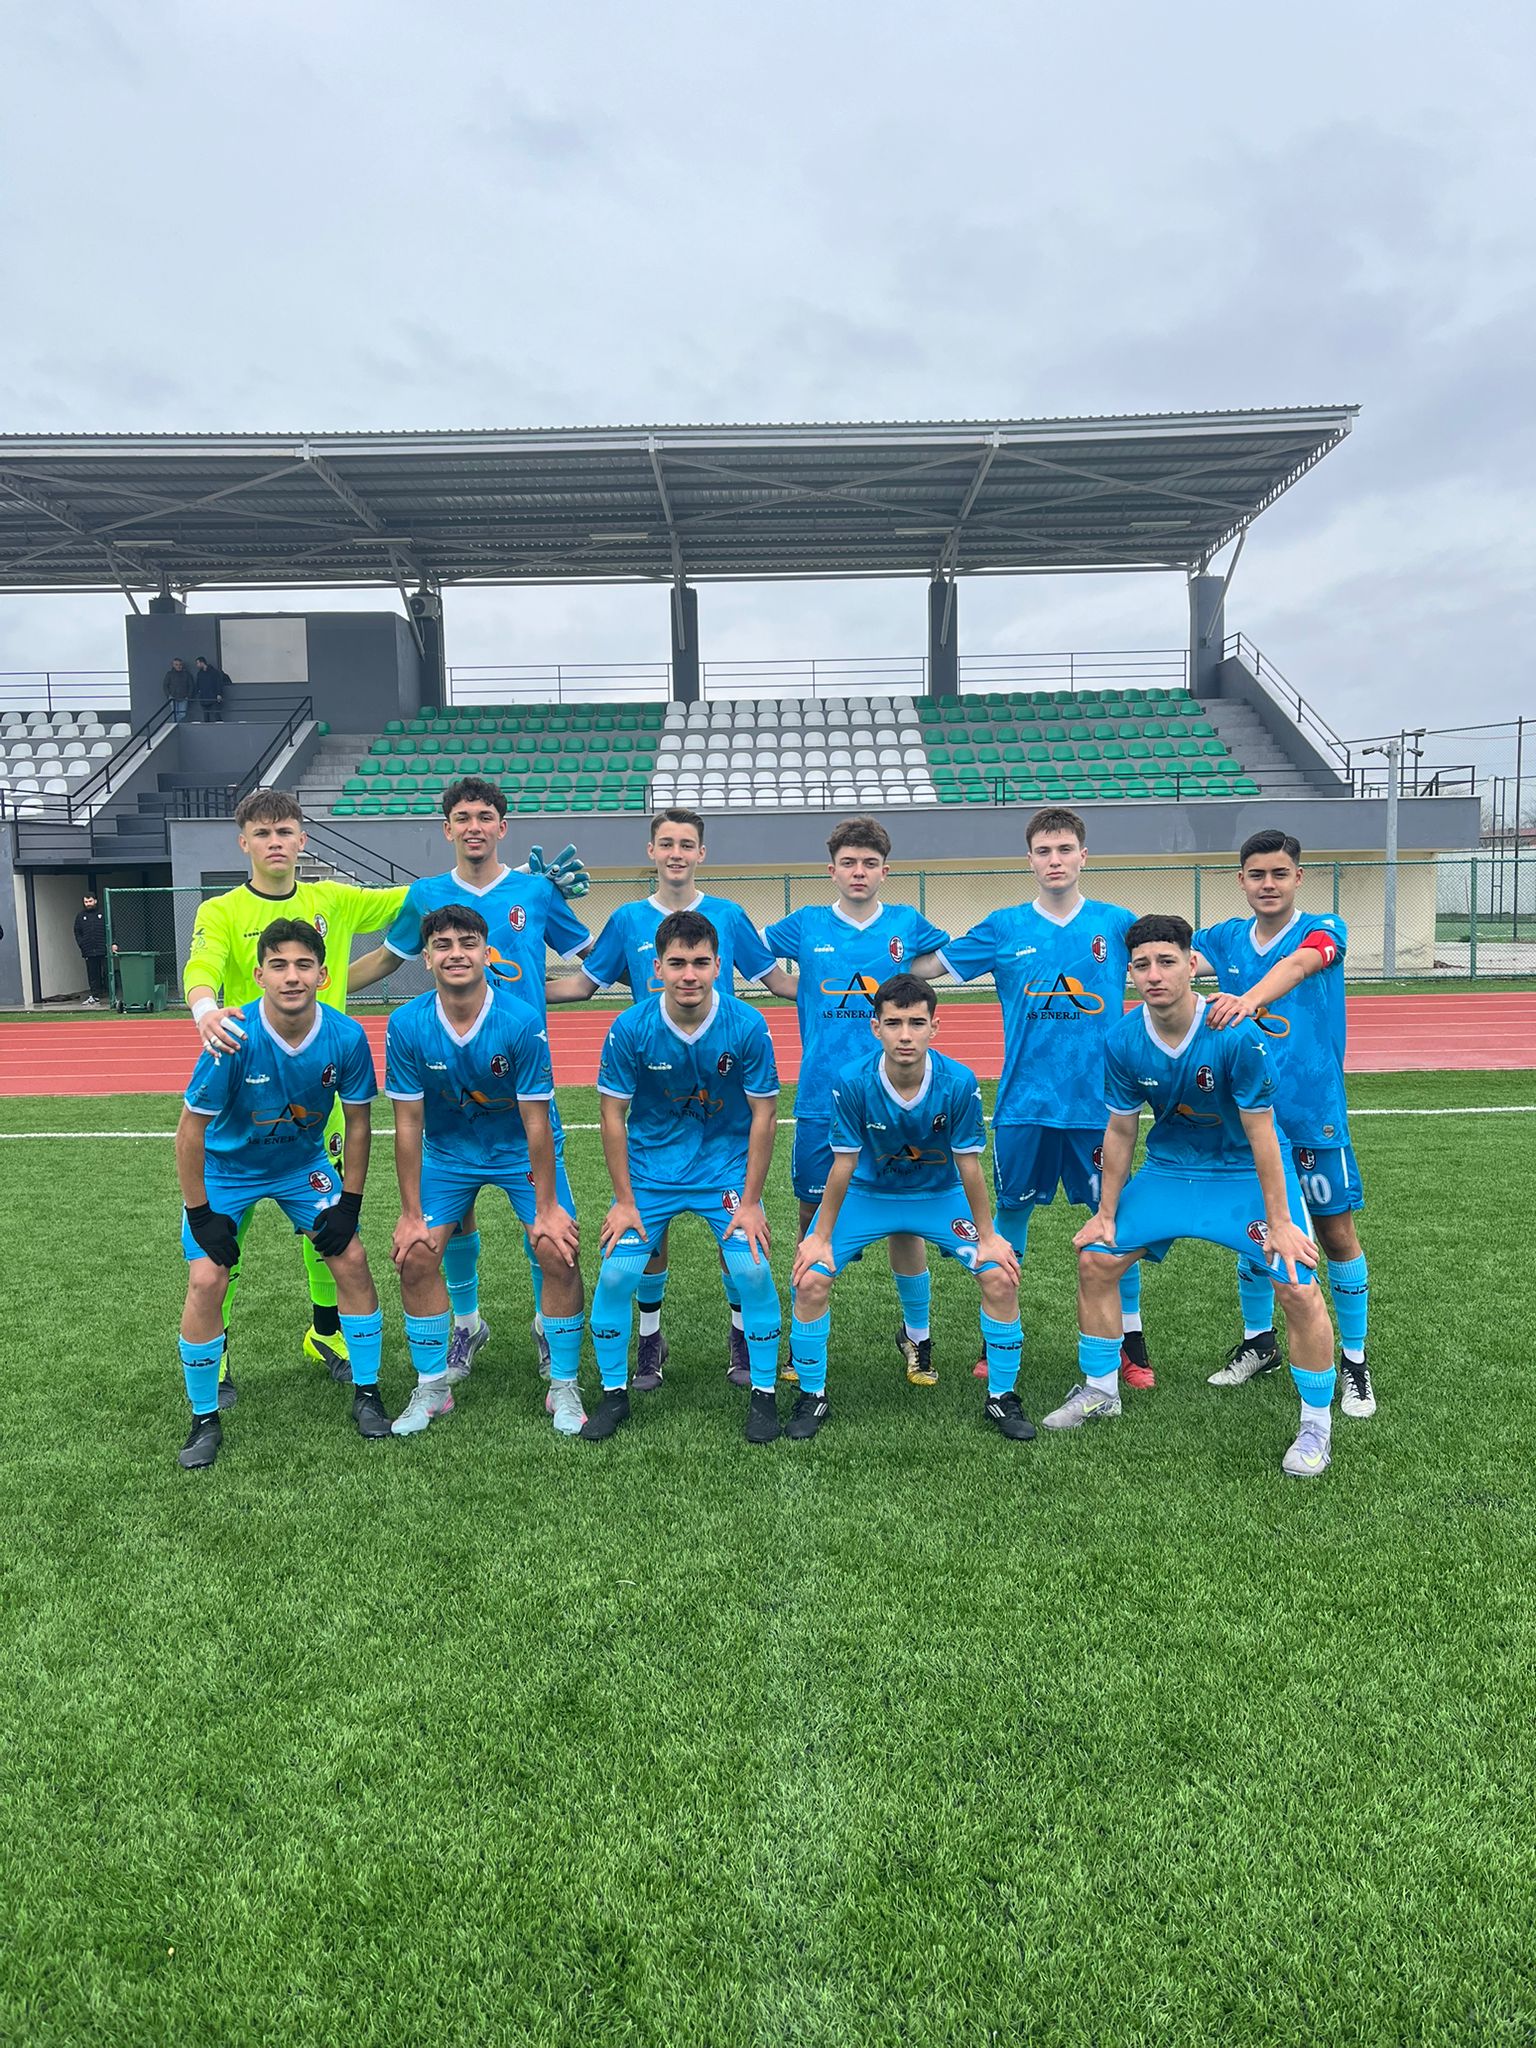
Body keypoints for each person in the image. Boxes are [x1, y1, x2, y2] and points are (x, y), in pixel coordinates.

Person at [1041, 914, 1338, 1479]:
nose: (1154, 975)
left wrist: (1280, 1223)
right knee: (1096, 1260)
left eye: (1166, 962)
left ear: (1190, 964)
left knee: (1297, 1286)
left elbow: (1262, 1134)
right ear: (1130, 973)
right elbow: (1121, 1130)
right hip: (1172, 1172)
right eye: (1142, 965)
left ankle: (1316, 1425)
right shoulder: (1123, 1039)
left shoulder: (1235, 1032)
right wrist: (1106, 1213)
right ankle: (1101, 1389)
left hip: (1241, 1174)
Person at [350, 776, 592, 1384]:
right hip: (449, 1090)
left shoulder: (536, 890)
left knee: (546, 1232)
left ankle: (547, 1328)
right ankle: (466, 1324)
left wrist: (639, 962)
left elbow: (592, 964)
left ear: (502, 827)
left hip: (520, 1078)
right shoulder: (426, 894)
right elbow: (387, 959)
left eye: (485, 816)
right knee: (450, 1219)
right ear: (447, 828)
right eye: (463, 817)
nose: (474, 827)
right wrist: (314, 991)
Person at [549, 807, 793, 1391]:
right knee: (647, 1241)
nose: (676, 853)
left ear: (701, 853)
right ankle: (650, 1337)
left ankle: (741, 1334)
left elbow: (778, 982)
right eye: (666, 843)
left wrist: (858, 989)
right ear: (651, 851)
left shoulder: (728, 915)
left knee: (735, 1242)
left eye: (687, 843)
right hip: (658, 1107)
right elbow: (582, 985)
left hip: (722, 1111)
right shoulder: (627, 918)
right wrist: (497, 984)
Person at [183, 788, 409, 1402]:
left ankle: (326, 1333)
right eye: (262, 833)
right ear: (244, 843)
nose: (275, 842)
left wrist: (513, 882)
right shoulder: (222, 910)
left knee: (327, 1227)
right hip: (244, 1088)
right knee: (224, 1241)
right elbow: (201, 968)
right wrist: (205, 1010)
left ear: (302, 839)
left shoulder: (332, 898)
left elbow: (416, 899)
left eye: (285, 831)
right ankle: (217, 1352)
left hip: (320, 1091)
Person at [911, 807, 1149, 1388]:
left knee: (1114, 1223)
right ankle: (996, 1341)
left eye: (1065, 849)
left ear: (1083, 856)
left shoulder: (1118, 924)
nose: (1055, 860)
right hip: (1024, 1106)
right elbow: (928, 967)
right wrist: (875, 946)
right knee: (1008, 1217)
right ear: (1030, 860)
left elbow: (1174, 962)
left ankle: (1131, 1345)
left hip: (1100, 1108)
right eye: (1044, 851)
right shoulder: (1003, 927)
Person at [174, 918, 393, 1470]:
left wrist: (350, 1204)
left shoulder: (346, 1036)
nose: (291, 976)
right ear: (259, 976)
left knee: (352, 1258)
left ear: (322, 975)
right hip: (228, 1170)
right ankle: (204, 1418)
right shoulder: (233, 1036)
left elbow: (360, 1124)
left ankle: (368, 1392)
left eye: (303, 965)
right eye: (278, 965)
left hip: (302, 1166)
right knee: (207, 1278)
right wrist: (200, 1214)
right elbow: (190, 1131)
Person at [788, 975, 1031, 1443]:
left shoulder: (958, 1082)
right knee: (811, 1276)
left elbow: (969, 1164)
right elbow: (843, 1164)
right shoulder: (852, 1080)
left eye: (917, 1023)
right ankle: (812, 1394)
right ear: (875, 1027)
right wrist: (818, 1237)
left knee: (999, 1275)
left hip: (937, 1195)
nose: (905, 1035)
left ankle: (1002, 1396)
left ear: (934, 1027)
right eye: (894, 1023)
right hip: (868, 1193)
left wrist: (988, 1237)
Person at [580, 909, 783, 1445]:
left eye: (699, 962)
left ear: (718, 965)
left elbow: (764, 1114)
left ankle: (763, 1394)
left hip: (724, 1171)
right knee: (616, 1276)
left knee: (753, 1271)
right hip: (652, 1174)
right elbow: (611, 1115)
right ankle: (613, 1393)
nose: (688, 974)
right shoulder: (631, 1027)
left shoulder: (747, 1025)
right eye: (677, 963)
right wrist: (624, 1201)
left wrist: (752, 1202)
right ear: (657, 968)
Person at [761, 817, 951, 1385]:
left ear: (885, 871)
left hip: (896, 1098)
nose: (859, 872)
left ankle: (917, 1336)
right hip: (822, 1094)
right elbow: (750, 952)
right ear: (832, 870)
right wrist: (794, 987)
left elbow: (936, 965)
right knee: (810, 1215)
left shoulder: (906, 922)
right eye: (849, 863)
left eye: (869, 863)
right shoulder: (805, 923)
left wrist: (906, 974)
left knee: (904, 1219)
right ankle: (802, 1337)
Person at [1192, 829, 1374, 1418]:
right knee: (1256, 1232)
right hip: (1248, 1118)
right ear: (1241, 880)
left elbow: (1298, 965)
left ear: (1298, 877)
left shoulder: (1325, 929)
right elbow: (1177, 959)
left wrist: (1248, 999)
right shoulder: (1223, 938)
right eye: (1256, 874)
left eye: (1278, 873)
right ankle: (1259, 1342)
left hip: (1313, 1114)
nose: (1267, 884)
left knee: (1335, 1235)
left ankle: (1354, 1361)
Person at [385, 905, 585, 1439]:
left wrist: (547, 1209)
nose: (456, 953)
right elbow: (407, 1124)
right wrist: (410, 1214)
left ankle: (564, 1383)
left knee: (557, 1248)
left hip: (518, 1150)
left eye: (467, 943)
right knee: (415, 1254)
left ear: (485, 952)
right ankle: (432, 1386)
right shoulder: (406, 1023)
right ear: (426, 958)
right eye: (443, 945)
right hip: (449, 1155)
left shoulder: (520, 1020)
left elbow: (536, 1121)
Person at [74, 891, 107, 1005]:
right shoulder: (80, 916)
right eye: (86, 902)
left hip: (103, 949)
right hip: (89, 950)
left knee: (107, 971)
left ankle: (111, 994)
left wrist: (113, 943)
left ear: (95, 901)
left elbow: (111, 928)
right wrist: (82, 944)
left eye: (90, 901)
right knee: (93, 973)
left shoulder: (103, 913)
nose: (88, 904)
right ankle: (95, 995)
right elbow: (77, 931)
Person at [194, 656, 229, 722]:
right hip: (204, 697)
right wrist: (199, 692)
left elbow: (218, 683)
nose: (197, 665)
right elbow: (198, 684)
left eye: (197, 663)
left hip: (213, 696)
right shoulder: (200, 673)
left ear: (202, 663)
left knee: (216, 714)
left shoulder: (214, 672)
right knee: (206, 715)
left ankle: (220, 725)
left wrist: (219, 694)